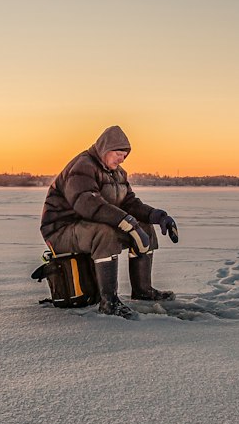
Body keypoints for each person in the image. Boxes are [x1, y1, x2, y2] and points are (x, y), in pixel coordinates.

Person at [40, 125, 179, 319]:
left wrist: (157, 216)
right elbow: (87, 204)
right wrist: (126, 222)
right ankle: (109, 302)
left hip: (86, 225)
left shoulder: (118, 173)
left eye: (125, 155)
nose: (122, 159)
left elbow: (129, 203)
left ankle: (142, 290)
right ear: (104, 149)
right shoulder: (82, 166)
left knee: (144, 227)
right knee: (105, 232)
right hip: (60, 229)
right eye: (118, 154)